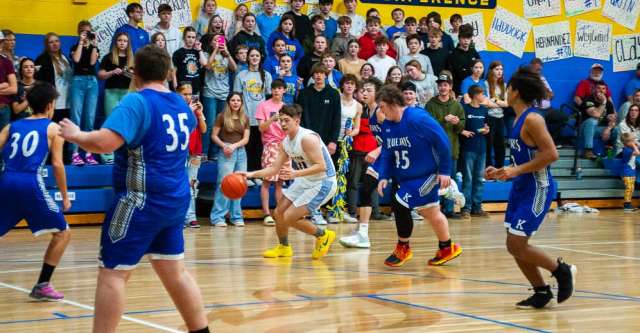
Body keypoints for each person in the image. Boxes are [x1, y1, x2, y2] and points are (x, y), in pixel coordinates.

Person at [59, 45, 210, 332]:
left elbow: (104, 143)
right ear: (169, 72)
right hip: (175, 201)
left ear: (135, 72)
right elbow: (189, 127)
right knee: (175, 271)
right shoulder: (182, 104)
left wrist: (76, 135)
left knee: (112, 274)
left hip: (139, 202)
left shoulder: (137, 102)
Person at [485, 66, 576, 309]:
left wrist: (515, 171)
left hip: (538, 188)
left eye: (508, 87)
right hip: (521, 188)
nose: (505, 91)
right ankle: (541, 291)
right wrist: (502, 170)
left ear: (515, 92)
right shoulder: (516, 119)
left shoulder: (533, 118)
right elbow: (522, 158)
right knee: (513, 245)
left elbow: (551, 154)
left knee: (517, 244)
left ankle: (561, 270)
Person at [375, 84, 462, 267]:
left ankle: (403, 247)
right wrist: (383, 175)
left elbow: (443, 141)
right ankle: (447, 247)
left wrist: (445, 171)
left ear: (391, 103)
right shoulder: (389, 126)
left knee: (399, 202)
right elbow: (387, 153)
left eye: (381, 107)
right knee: (431, 213)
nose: (380, 112)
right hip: (406, 177)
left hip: (428, 174)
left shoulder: (417, 118)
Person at [0, 81, 71, 301]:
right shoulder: (54, 128)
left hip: (6, 181)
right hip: (30, 183)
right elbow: (58, 165)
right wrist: (65, 197)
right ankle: (43, 285)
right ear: (51, 105)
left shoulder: (11, 126)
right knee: (63, 232)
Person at [244, 104, 337, 259]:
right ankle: (284, 247)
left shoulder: (307, 139)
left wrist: (295, 173)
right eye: (281, 121)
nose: (283, 124)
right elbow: (274, 169)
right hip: (305, 179)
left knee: (289, 217)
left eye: (286, 120)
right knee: (279, 212)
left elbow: (322, 167)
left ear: (297, 121)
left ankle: (323, 235)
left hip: (323, 182)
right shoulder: (286, 142)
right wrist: (250, 174)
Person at [341, 78, 383, 248]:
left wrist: (377, 150)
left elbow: (394, 138)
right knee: (366, 189)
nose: (364, 93)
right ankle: (363, 235)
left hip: (396, 154)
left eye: (369, 90)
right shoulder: (367, 110)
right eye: (363, 90)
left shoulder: (381, 112)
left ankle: (446, 189)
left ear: (377, 94)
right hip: (385, 157)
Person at [297, 63, 341, 224]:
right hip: (309, 141)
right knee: (312, 177)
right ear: (312, 76)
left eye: (321, 73)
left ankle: (328, 210)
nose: (318, 76)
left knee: (328, 177)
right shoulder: (303, 93)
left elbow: (337, 119)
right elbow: (300, 119)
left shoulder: (334, 94)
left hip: (327, 142)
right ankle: (313, 211)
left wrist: (333, 141)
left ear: (326, 75)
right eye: (315, 73)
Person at [426, 73, 465, 218]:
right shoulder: (430, 104)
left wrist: (457, 123)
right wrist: (443, 119)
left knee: (451, 180)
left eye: (445, 85)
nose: (442, 87)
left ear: (450, 87)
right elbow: (428, 125)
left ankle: (449, 209)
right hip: (434, 150)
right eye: (440, 85)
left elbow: (461, 127)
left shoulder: (457, 106)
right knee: (434, 179)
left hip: (451, 148)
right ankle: (435, 208)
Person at [210, 92, 250, 227]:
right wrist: (224, 146)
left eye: (238, 100)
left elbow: (246, 139)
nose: (236, 102)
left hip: (240, 152)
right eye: (233, 100)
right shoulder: (221, 117)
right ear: (228, 102)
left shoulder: (245, 118)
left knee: (239, 184)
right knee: (224, 184)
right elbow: (214, 136)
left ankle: (236, 216)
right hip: (226, 152)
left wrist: (234, 146)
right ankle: (218, 217)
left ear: (241, 103)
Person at [327, 74, 361, 223]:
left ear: (355, 87)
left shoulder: (358, 105)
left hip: (346, 144)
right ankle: (330, 211)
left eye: (352, 84)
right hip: (332, 141)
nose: (349, 86)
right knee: (331, 176)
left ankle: (340, 209)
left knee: (343, 176)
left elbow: (357, 128)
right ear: (342, 85)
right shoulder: (336, 100)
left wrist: (351, 133)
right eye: (347, 83)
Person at [256, 79, 289, 226]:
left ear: (284, 91)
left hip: (285, 146)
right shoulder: (263, 105)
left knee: (280, 183)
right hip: (270, 145)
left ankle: (279, 212)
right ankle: (266, 214)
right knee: (267, 181)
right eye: (274, 88)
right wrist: (272, 119)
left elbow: (290, 129)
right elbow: (261, 128)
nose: (276, 91)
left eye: (280, 88)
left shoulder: (287, 107)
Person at [97, 32, 134, 164]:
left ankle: (127, 154)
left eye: (125, 40)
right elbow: (100, 75)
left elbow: (138, 78)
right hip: (111, 92)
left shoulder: (132, 59)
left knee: (127, 124)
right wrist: (112, 72)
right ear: (116, 42)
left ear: (128, 43)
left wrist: (130, 74)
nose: (122, 43)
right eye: (120, 40)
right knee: (111, 123)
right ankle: (107, 155)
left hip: (127, 94)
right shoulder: (109, 57)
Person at [234, 48, 272, 174]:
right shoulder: (241, 75)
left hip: (261, 119)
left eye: (257, 55)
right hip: (246, 117)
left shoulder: (266, 75)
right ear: (247, 58)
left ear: (260, 58)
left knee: (259, 147)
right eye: (252, 56)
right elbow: (236, 98)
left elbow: (269, 98)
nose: (254, 58)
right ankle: (248, 174)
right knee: (247, 147)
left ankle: (258, 174)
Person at [176, 82, 206, 228]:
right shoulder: (175, 108)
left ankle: (191, 216)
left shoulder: (195, 109)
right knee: (180, 184)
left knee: (192, 184)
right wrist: (188, 111)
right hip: (180, 152)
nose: (188, 97)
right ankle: (178, 218)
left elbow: (204, 129)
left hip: (195, 151)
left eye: (190, 94)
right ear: (178, 94)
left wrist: (199, 114)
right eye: (185, 94)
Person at [202, 33, 237, 160]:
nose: (218, 42)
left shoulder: (226, 56)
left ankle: (215, 153)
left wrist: (227, 53)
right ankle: (205, 152)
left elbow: (234, 68)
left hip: (223, 93)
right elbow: (208, 67)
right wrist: (216, 50)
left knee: (220, 125)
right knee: (210, 124)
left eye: (221, 40)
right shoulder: (206, 54)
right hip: (210, 93)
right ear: (211, 43)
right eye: (215, 40)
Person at [69, 20, 100, 166]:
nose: (86, 34)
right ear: (79, 32)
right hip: (78, 81)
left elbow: (93, 62)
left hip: (92, 82)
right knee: (76, 116)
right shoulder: (75, 46)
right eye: (83, 31)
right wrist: (81, 42)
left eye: (88, 31)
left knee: (89, 117)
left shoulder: (94, 47)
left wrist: (94, 44)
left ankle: (88, 152)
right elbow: (76, 59)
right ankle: (75, 153)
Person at [459, 85, 490, 219]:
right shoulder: (464, 109)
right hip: (468, 148)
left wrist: (487, 130)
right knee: (468, 179)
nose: (483, 96)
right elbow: (459, 126)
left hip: (481, 148)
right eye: (482, 94)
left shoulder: (484, 110)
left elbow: (486, 126)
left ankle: (477, 207)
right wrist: (463, 131)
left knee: (479, 178)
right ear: (476, 95)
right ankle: (466, 208)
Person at [34, 33, 71, 142]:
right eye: (51, 42)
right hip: (53, 103)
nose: (55, 44)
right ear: (46, 44)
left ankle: (63, 156)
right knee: (52, 132)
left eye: (56, 41)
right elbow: (38, 81)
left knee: (64, 132)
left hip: (67, 102)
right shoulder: (42, 59)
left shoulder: (65, 58)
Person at [580, 82, 617, 160]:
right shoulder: (588, 100)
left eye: (603, 89)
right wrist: (603, 102)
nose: (601, 91)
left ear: (606, 91)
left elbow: (613, 119)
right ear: (594, 90)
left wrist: (608, 129)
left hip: (598, 130)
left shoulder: (609, 103)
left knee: (616, 130)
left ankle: (612, 152)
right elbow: (596, 114)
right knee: (592, 121)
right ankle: (588, 150)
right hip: (584, 129)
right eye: (598, 88)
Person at [484, 61, 509, 169]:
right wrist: (498, 102)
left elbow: (507, 104)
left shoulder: (504, 85)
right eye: (497, 69)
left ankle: (500, 169)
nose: (499, 72)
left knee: (500, 146)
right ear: (491, 70)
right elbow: (486, 103)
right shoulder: (485, 84)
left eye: (501, 69)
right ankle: (489, 171)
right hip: (489, 117)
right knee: (489, 145)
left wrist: (494, 100)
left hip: (500, 118)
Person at [173, 27, 208, 97]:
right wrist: (176, 88)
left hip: (195, 89)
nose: (191, 39)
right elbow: (173, 73)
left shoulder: (197, 52)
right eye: (188, 37)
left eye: (193, 37)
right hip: (183, 90)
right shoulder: (178, 53)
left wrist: (199, 49)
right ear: (184, 38)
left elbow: (205, 63)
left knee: (195, 108)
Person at [446, 24, 480, 96]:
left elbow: (481, 69)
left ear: (471, 39)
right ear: (459, 38)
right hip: (459, 90)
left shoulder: (474, 52)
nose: (466, 40)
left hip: (474, 89)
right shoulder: (452, 55)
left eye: (468, 38)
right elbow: (450, 75)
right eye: (463, 38)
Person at [620, 132, 639, 211]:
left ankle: (628, 203)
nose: (635, 141)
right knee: (629, 188)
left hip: (631, 172)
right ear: (627, 142)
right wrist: (634, 145)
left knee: (631, 188)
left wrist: (635, 144)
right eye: (633, 140)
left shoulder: (630, 148)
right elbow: (638, 153)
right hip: (627, 172)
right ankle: (626, 204)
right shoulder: (627, 150)